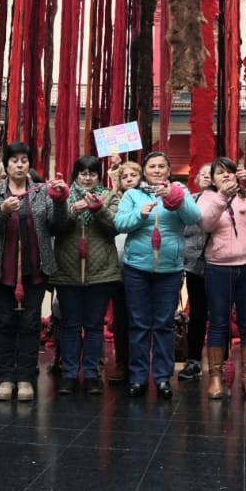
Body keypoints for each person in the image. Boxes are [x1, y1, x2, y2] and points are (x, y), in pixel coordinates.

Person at [0, 142, 69, 401]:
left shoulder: (40, 193)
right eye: (14, 160)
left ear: (29, 165)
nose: (19, 164)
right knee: (3, 323)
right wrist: (2, 212)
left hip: (35, 271)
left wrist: (60, 201)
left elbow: (57, 226)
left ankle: (26, 377)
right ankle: (5, 376)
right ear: (5, 165)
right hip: (1, 271)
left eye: (24, 160)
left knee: (29, 325)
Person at [116, 151, 201, 398]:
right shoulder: (132, 195)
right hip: (136, 269)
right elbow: (120, 224)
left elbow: (195, 218)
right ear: (144, 171)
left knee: (164, 325)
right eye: (151, 166)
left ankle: (163, 378)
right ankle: (138, 378)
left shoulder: (179, 191)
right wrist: (139, 214)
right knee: (139, 325)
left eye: (161, 166)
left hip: (169, 269)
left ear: (168, 170)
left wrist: (177, 198)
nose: (156, 170)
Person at [198, 157, 246, 399]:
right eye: (220, 173)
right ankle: (216, 378)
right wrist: (222, 197)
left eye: (230, 172)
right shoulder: (207, 197)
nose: (226, 176)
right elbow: (206, 223)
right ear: (213, 178)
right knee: (218, 322)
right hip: (218, 267)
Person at [50, 155, 120, 395]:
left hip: (101, 271)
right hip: (67, 269)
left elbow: (115, 227)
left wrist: (98, 210)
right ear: (75, 175)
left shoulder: (109, 196)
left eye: (92, 173)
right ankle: (69, 373)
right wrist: (69, 211)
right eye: (83, 173)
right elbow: (54, 226)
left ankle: (91, 374)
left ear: (99, 176)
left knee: (93, 326)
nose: (87, 177)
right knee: (70, 325)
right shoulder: (63, 195)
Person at [106, 159, 142, 384]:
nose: (128, 180)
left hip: (140, 265)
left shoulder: (147, 198)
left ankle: (138, 364)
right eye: (124, 177)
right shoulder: (114, 200)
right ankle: (121, 363)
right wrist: (114, 170)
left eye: (133, 176)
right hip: (117, 266)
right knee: (120, 319)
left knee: (139, 319)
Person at [178, 163, 212, 382]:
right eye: (204, 174)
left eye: (212, 173)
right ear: (197, 179)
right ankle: (193, 360)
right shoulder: (190, 200)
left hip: (222, 264)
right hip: (193, 263)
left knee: (221, 314)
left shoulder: (228, 200)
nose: (208, 177)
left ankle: (221, 362)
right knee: (198, 313)